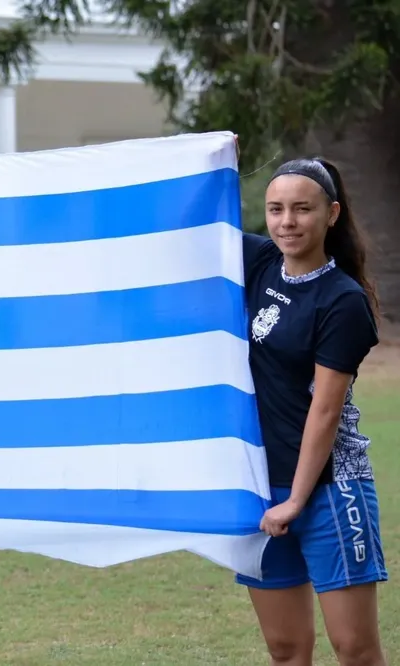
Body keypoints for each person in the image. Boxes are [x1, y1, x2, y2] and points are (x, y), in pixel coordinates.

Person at [236, 153, 388, 666]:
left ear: (332, 214)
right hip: (262, 486)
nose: (287, 222)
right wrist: (215, 161)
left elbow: (324, 411)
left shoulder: (342, 301)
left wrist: (297, 500)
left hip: (329, 488)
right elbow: (194, 226)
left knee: (355, 649)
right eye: (276, 209)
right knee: (285, 649)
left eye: (302, 209)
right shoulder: (260, 263)